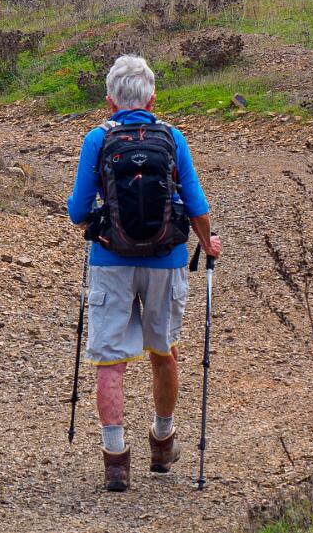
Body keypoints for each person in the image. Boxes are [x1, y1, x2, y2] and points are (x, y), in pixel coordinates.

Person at [66, 54, 220, 492]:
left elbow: (77, 210)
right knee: (163, 350)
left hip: (110, 260)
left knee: (110, 361)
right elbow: (196, 203)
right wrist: (208, 242)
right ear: (152, 100)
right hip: (166, 261)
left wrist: (100, 219)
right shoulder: (172, 137)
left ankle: (115, 461)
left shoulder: (97, 139)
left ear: (110, 101)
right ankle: (162, 441)